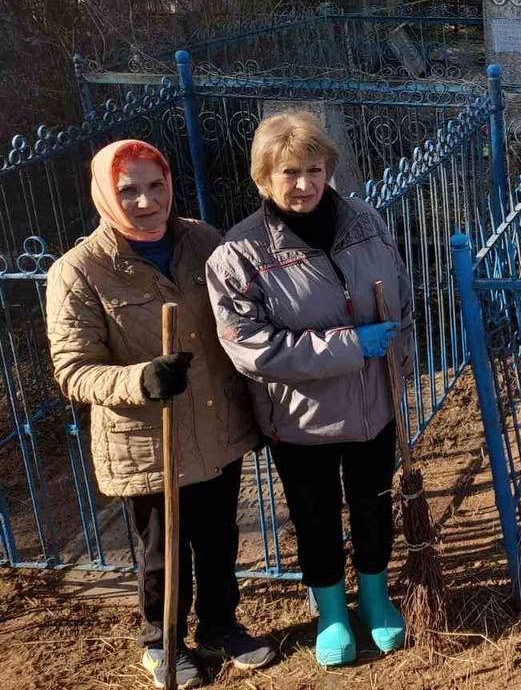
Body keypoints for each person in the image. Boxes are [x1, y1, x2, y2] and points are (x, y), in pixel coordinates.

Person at [45, 140, 274, 689]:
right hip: (149, 439)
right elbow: (73, 369)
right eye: (129, 190)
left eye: (156, 186)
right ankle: (162, 640)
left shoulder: (202, 241)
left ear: (170, 184)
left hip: (216, 422)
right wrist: (139, 380)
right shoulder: (80, 271)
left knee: (218, 536)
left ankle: (220, 626)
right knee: (161, 551)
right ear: (104, 194)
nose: (146, 202)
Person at [206, 111, 411, 668]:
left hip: (373, 406)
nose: (304, 184)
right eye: (289, 172)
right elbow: (251, 347)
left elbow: (402, 296)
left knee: (373, 504)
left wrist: (398, 360)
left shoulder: (365, 222)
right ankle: (332, 612)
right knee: (315, 517)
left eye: (314, 170)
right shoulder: (239, 254)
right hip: (301, 419)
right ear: (263, 178)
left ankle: (375, 598)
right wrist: (350, 345)